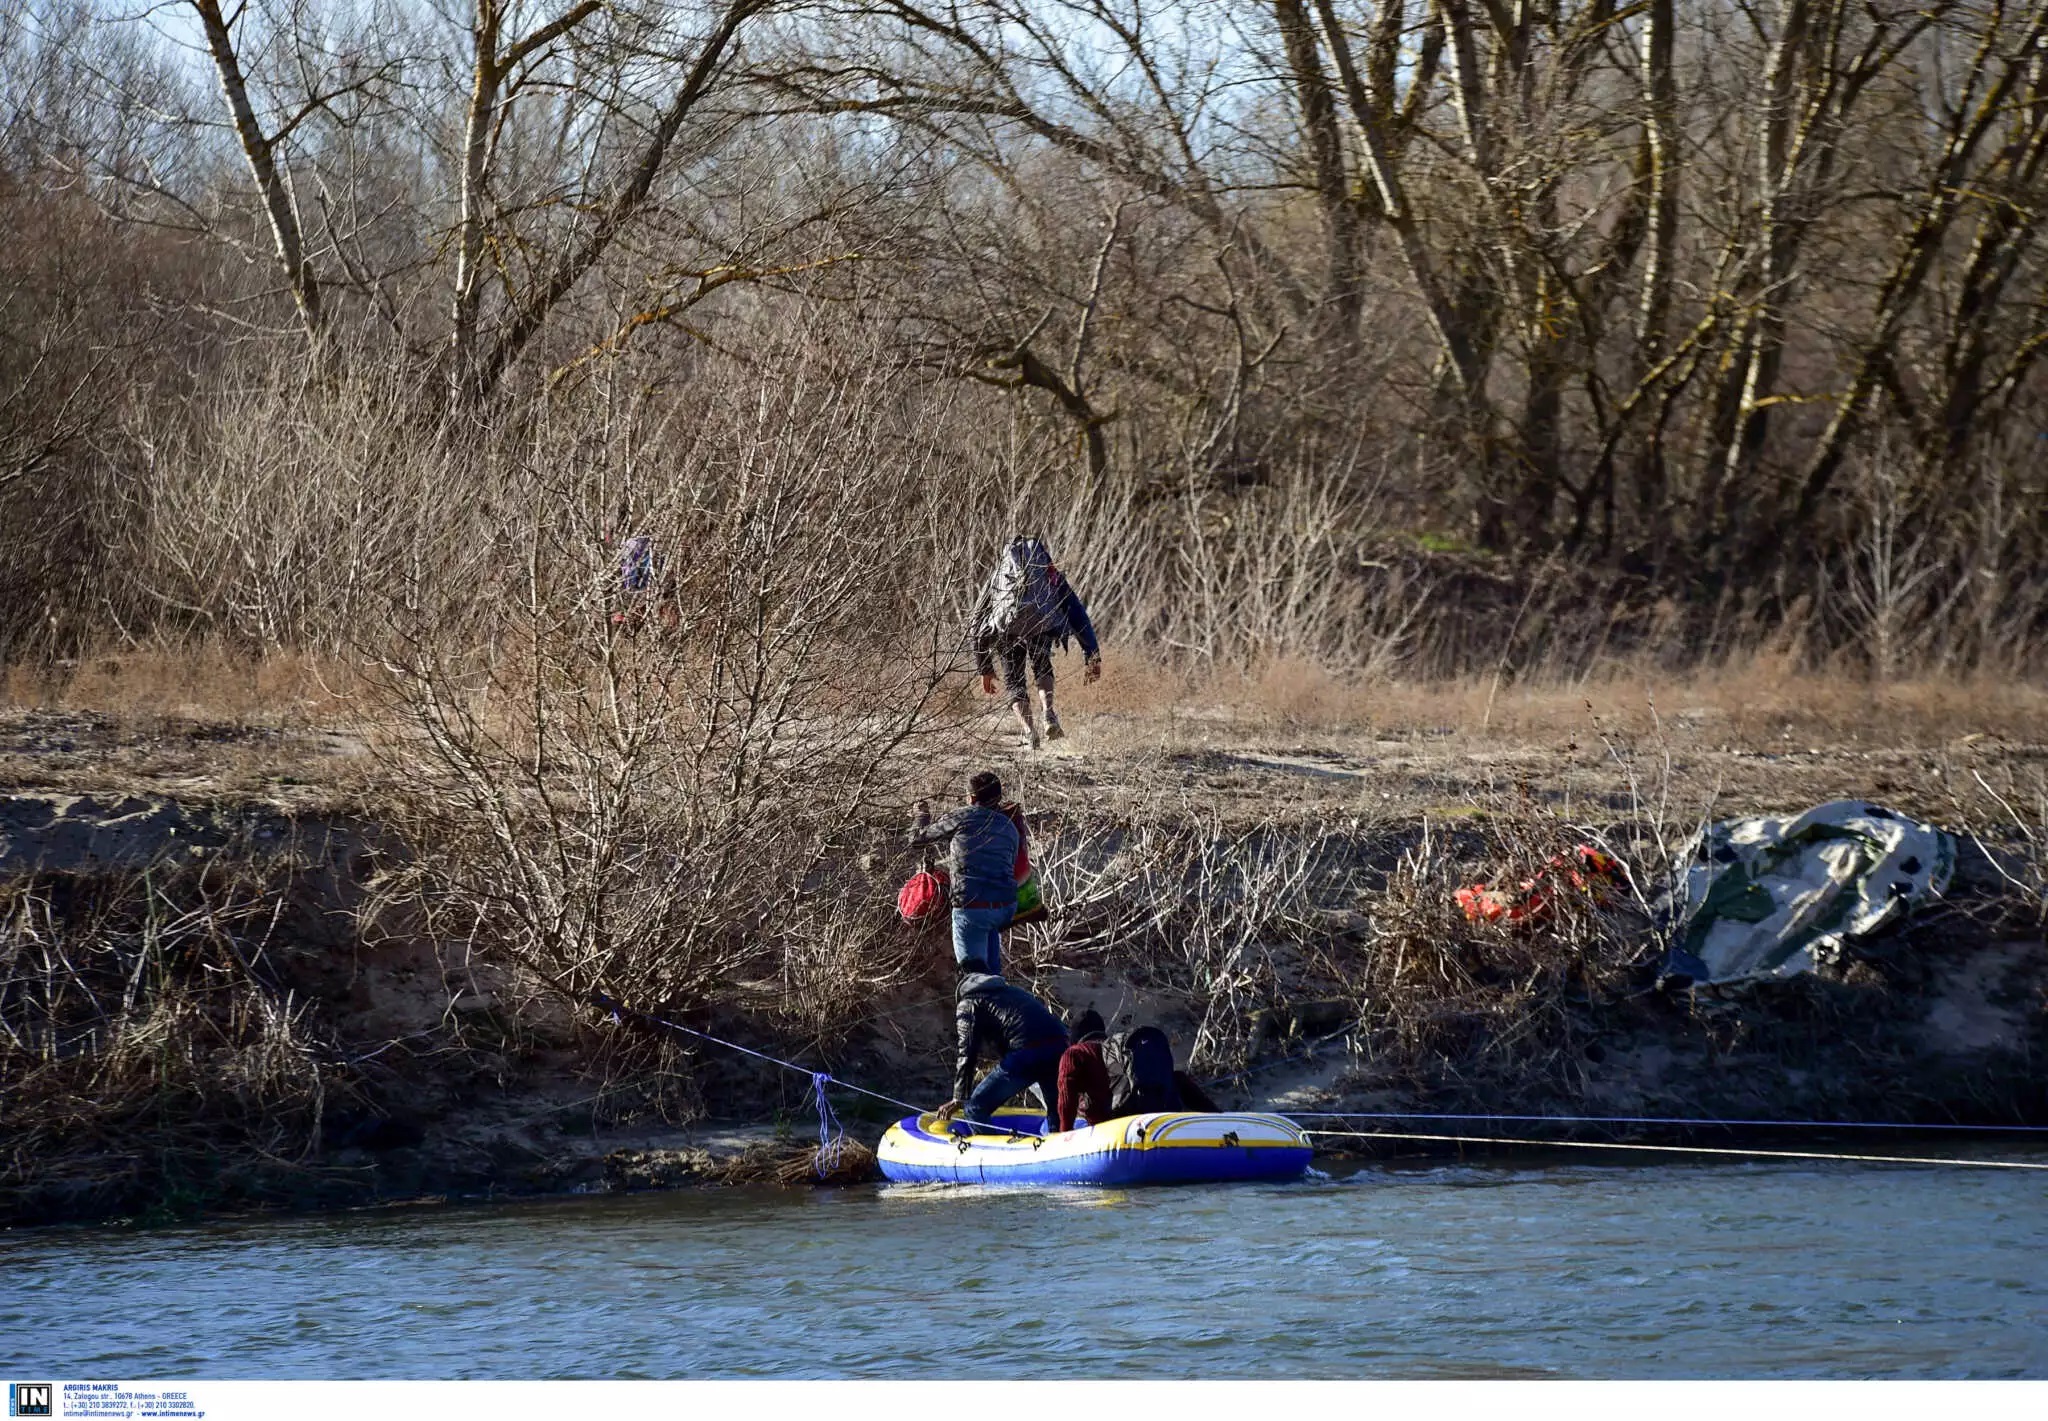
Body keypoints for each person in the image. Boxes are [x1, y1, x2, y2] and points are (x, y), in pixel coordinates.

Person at [971, 536, 1102, 749]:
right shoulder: (1049, 576)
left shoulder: (998, 577)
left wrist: (984, 666)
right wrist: (1092, 653)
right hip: (1041, 626)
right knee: (1042, 666)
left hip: (1007, 632)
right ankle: (1048, 713)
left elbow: (977, 620)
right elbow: (1077, 613)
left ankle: (1030, 732)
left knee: (1014, 680)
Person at [907, 769, 1021, 975]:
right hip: (1005, 906)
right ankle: (996, 990)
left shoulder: (961, 817)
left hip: (973, 905)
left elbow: (916, 840)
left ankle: (977, 997)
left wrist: (921, 816)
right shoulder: (1009, 827)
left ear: (971, 797)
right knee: (990, 966)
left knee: (973, 977)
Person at [937, 958, 1070, 1132]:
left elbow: (967, 1051)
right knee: (1055, 1113)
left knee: (974, 1108)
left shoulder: (969, 1001)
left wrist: (959, 1097)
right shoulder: (1011, 991)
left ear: (961, 981)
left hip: (1027, 1054)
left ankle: (993, 1154)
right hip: (1060, 1046)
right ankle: (1055, 1152)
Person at [1102, 1024, 1221, 1117]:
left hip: (1129, 1114)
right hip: (1167, 1108)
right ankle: (1219, 1117)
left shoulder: (1105, 1051)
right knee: (1178, 1077)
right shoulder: (1174, 1077)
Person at [1053, 1009, 1113, 1134]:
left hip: (1103, 1127)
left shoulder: (1074, 1053)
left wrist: (1065, 1133)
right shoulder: (1115, 1049)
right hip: (1132, 1120)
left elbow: (1066, 1099)